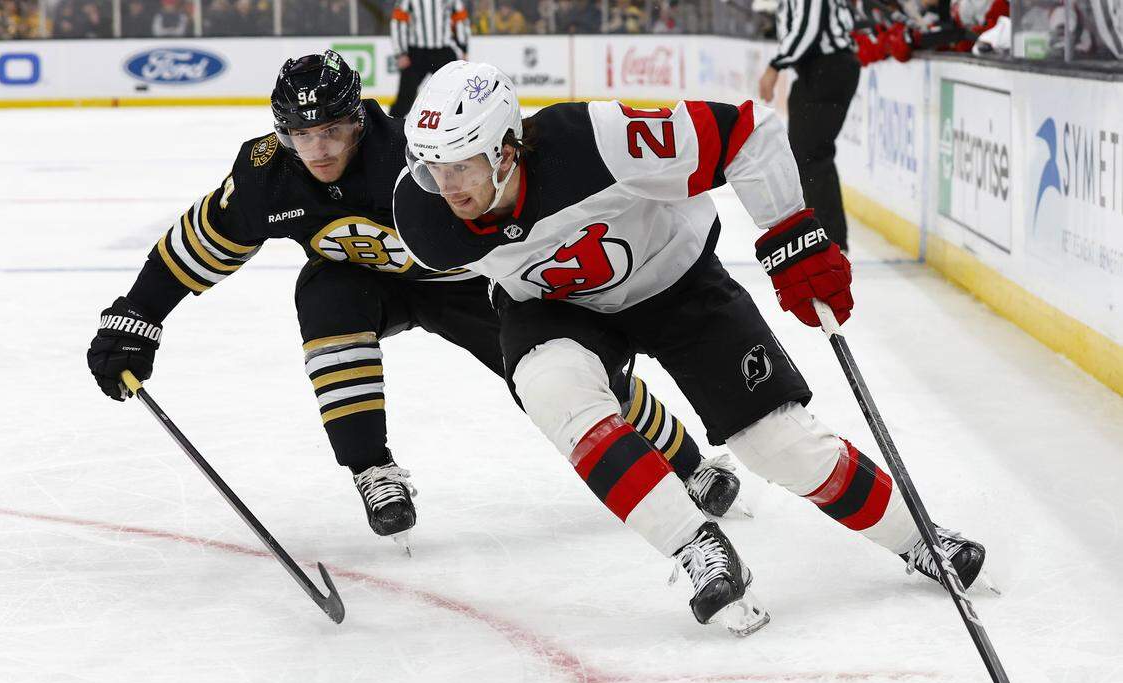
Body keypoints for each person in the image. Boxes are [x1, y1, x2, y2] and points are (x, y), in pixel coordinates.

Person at [393, 61, 990, 632]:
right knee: (548, 387)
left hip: (676, 281)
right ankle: (696, 546)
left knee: (777, 445)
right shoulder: (423, 211)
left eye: (461, 165)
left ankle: (920, 538)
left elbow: (747, 132)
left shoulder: (600, 139)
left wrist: (793, 235)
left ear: (505, 148)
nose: (446, 186)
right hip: (555, 306)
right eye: (432, 168)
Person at [86, 51, 743, 554]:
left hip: (462, 286)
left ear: (357, 119)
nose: (316, 148)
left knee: (560, 373)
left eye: (331, 131)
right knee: (323, 295)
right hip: (362, 281)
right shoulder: (264, 173)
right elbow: (198, 244)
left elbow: (517, 214)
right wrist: (137, 314)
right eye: (300, 134)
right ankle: (374, 470)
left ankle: (684, 461)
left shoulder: (419, 159)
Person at [758, 0, 860, 252]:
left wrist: (775, 66)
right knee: (807, 155)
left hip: (828, 68)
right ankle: (826, 237)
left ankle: (830, 241)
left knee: (810, 156)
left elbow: (809, 29)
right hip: (819, 70)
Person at [389, 0, 471, 119]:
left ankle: (460, 129)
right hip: (416, 53)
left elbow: (461, 18)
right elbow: (398, 21)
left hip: (443, 52)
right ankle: (391, 132)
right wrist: (400, 52)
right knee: (405, 98)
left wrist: (463, 47)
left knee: (455, 96)